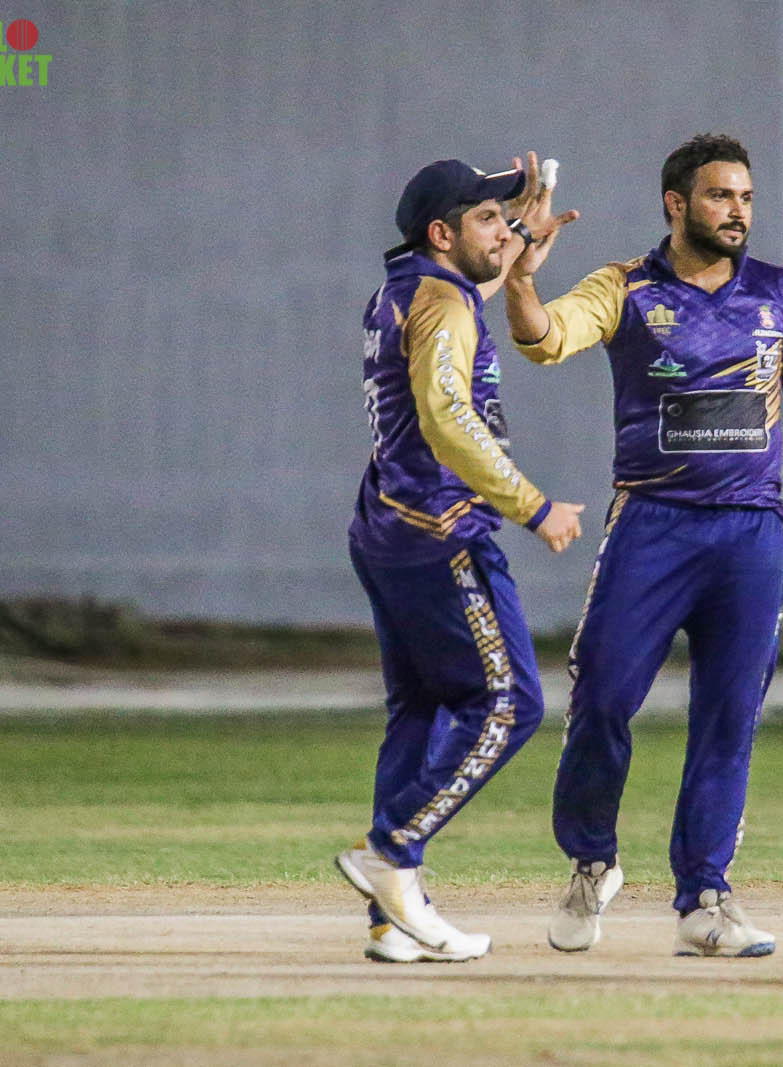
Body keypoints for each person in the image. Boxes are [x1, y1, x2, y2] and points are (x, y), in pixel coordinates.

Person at [503, 133, 783, 957]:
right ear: (676, 204)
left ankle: (704, 897)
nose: (737, 212)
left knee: (729, 715)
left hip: (750, 534)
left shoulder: (777, 293)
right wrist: (521, 280)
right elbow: (546, 337)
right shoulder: (624, 287)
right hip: (653, 527)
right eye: (719, 196)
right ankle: (592, 861)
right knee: (602, 696)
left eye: (745, 198)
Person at [335, 153, 585, 963]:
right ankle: (392, 852)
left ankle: (391, 919)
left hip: (387, 527)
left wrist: (519, 243)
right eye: (485, 219)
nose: (502, 230)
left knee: (418, 711)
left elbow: (465, 294)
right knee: (510, 704)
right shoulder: (443, 304)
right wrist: (532, 505)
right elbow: (447, 417)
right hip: (441, 530)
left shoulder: (406, 290)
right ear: (441, 234)